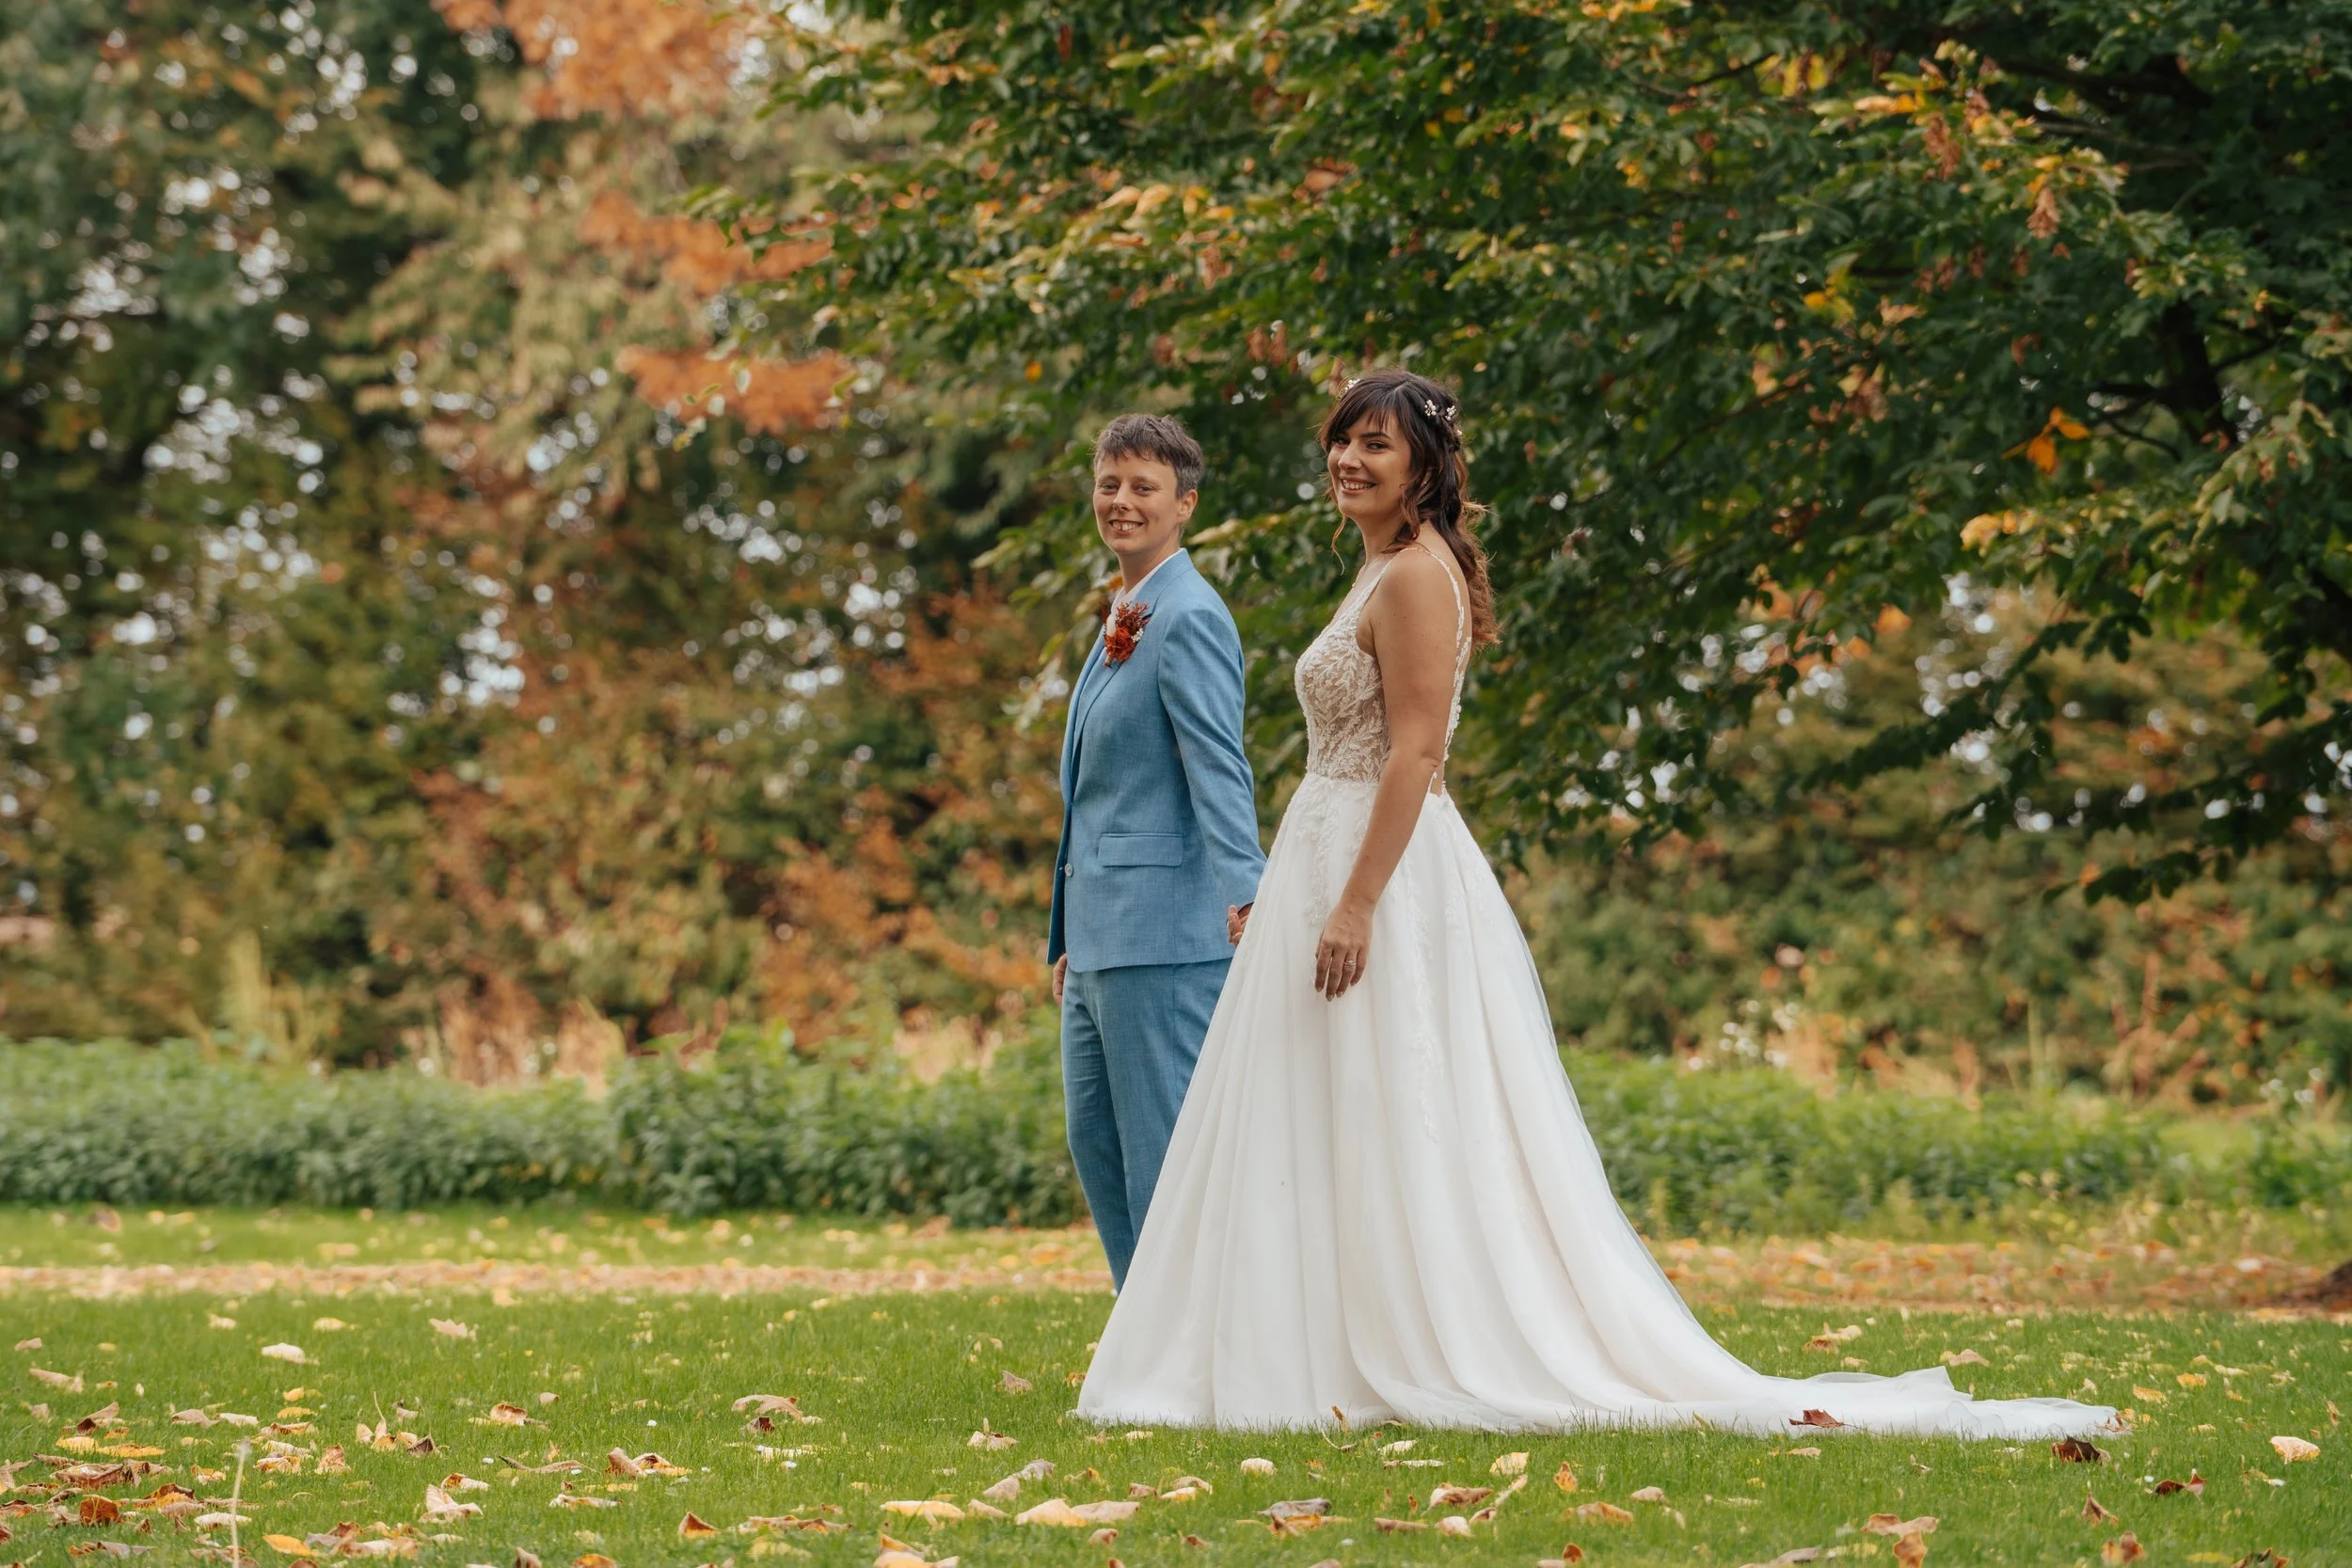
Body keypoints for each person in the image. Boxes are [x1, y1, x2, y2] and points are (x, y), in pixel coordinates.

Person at [1075, 371, 2117, 1438]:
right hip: (1323, 849)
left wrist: (1355, 904)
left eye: (1375, 446)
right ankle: (1318, 1342)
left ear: (1422, 467)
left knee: (1394, 1101)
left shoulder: (1413, 578)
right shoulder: (1379, 566)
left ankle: (1414, 1337)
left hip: (1372, 867)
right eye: (1342, 442)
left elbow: (1419, 753)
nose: (1348, 461)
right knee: (1324, 1105)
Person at [1048, 413, 1265, 1291]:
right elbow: (1094, 798)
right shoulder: (1124, 612)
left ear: (1185, 504)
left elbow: (1220, 764)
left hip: (1168, 939)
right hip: (1097, 942)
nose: (1123, 501)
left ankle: (1198, 1349)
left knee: (1167, 1160)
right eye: (1110, 483)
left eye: (1145, 487)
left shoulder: (1191, 615)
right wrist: (1063, 931)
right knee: (1098, 1148)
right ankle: (1146, 1345)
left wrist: (1250, 896)